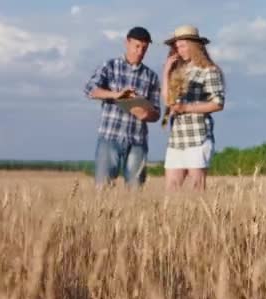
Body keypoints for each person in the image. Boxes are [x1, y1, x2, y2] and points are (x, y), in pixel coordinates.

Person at [84, 26, 161, 188]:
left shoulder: (152, 77)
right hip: (109, 137)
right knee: (102, 189)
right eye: (137, 46)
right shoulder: (110, 66)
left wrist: (146, 115)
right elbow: (89, 89)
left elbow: (156, 114)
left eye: (144, 48)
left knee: (135, 192)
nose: (140, 51)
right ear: (127, 42)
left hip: (138, 141)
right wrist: (116, 95)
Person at [161, 25, 225, 191]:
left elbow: (218, 103)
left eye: (182, 45)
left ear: (194, 45)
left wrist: (186, 107)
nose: (179, 50)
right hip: (176, 138)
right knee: (171, 191)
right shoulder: (178, 71)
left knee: (196, 191)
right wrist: (166, 72)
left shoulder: (209, 71)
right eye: (176, 47)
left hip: (198, 136)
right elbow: (168, 101)